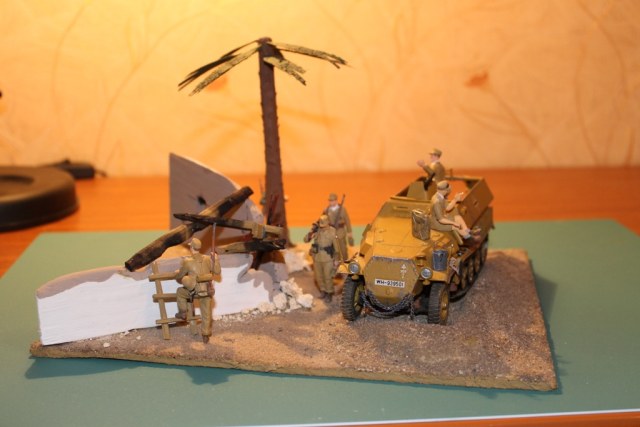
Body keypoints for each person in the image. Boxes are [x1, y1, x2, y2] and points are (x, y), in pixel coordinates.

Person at [174, 238, 221, 343]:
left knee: (180, 292)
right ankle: (205, 334)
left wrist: (177, 272)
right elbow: (217, 271)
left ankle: (182, 312)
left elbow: (179, 276)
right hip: (207, 291)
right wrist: (216, 259)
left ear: (191, 248)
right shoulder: (208, 259)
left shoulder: (187, 261)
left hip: (194, 292)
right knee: (206, 313)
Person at [304, 215, 341, 302]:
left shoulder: (332, 231)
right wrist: (311, 231)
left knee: (328, 277)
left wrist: (336, 260)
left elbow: (337, 248)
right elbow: (305, 240)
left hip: (328, 258)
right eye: (321, 225)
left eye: (323, 225)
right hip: (317, 257)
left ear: (328, 222)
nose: (322, 227)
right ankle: (323, 291)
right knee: (318, 277)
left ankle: (329, 293)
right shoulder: (317, 231)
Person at [322, 193, 353, 262]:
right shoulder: (327, 210)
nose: (331, 202)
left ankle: (345, 262)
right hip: (331, 233)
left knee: (343, 249)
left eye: (333, 200)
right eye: (330, 201)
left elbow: (347, 220)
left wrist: (349, 232)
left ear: (336, 201)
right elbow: (323, 221)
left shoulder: (342, 209)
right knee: (333, 250)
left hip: (340, 231)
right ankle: (335, 263)